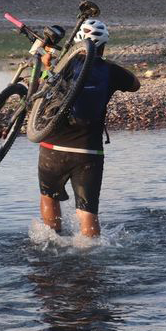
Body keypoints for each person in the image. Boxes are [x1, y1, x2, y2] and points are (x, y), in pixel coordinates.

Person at [37, 18, 140, 238]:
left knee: (49, 196)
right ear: (103, 46)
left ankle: (51, 241)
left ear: (77, 42)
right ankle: (91, 252)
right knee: (87, 211)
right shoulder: (110, 71)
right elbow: (135, 85)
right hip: (89, 151)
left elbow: (41, 89)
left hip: (52, 144)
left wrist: (47, 68)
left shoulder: (63, 64)